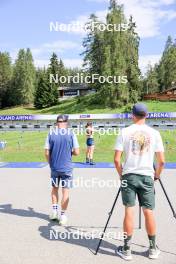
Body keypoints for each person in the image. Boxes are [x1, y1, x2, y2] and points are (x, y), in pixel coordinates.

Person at [114, 103, 165, 261]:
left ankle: (127, 249)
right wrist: (156, 176)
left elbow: (117, 160)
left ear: (132, 115)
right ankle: (152, 248)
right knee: (148, 211)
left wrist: (122, 175)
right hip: (146, 176)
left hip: (129, 175)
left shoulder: (124, 132)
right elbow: (162, 161)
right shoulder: (154, 133)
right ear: (146, 115)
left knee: (129, 210)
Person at [45, 114, 79, 225]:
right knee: (66, 192)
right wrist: (70, 152)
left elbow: (46, 152)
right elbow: (77, 152)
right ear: (67, 123)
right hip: (67, 168)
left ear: (57, 123)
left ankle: (54, 211)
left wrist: (50, 163)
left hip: (55, 167)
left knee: (54, 189)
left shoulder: (51, 133)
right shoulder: (71, 133)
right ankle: (63, 215)